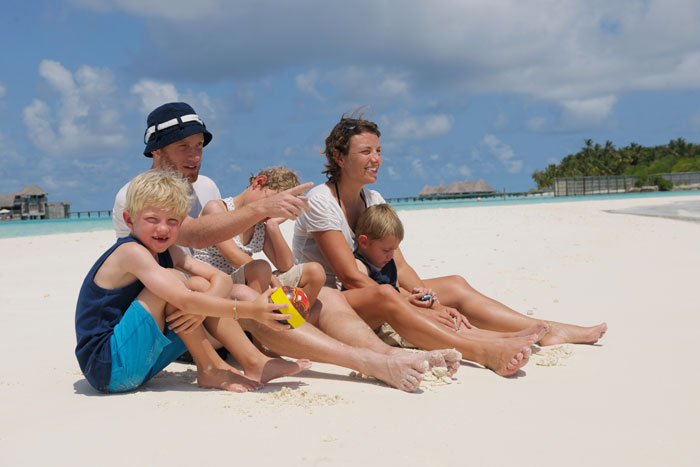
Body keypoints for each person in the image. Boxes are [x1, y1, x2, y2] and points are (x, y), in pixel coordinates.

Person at [112, 102, 460, 392]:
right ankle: (367, 362)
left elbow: (212, 259)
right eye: (182, 147)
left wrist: (265, 225)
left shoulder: (205, 187)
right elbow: (196, 236)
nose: (194, 156)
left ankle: (383, 352)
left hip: (209, 306)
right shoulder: (136, 196)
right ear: (155, 150)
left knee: (325, 293)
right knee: (253, 295)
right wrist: (260, 209)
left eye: (199, 145)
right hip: (176, 319)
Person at [293, 115, 607, 375]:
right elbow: (350, 277)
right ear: (339, 157)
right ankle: (484, 350)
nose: (376, 159)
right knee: (390, 293)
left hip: (370, 292)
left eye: (378, 150)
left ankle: (549, 330)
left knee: (453, 285)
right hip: (330, 304)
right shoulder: (322, 201)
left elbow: (398, 265)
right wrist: (412, 303)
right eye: (365, 152)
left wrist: (429, 300)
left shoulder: (372, 198)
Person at [76, 170, 308, 394]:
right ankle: (211, 368)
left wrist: (203, 302)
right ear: (129, 219)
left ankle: (252, 362)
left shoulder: (170, 251)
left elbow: (221, 278)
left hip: (139, 364)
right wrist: (252, 310)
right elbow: (183, 299)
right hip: (107, 367)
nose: (163, 228)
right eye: (152, 219)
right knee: (175, 279)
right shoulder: (131, 252)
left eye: (173, 220)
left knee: (197, 285)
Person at [194, 167, 325, 306]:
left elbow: (285, 265)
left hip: (243, 278)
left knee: (314, 272)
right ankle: (256, 324)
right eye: (271, 202)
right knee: (260, 268)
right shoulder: (218, 209)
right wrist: (273, 280)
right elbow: (232, 256)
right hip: (214, 278)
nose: (271, 209)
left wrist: (272, 225)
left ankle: (293, 320)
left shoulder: (260, 222)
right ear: (259, 182)